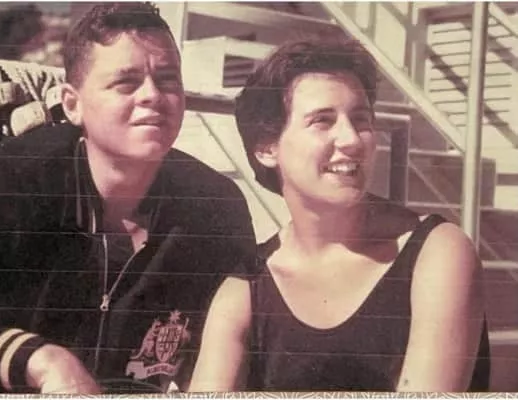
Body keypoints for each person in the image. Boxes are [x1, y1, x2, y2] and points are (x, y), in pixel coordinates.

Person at [0, 2, 255, 395]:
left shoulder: (215, 207)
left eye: (167, 80)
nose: (153, 95)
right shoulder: (9, 181)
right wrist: (36, 359)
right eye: (126, 82)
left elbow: (241, 331)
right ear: (72, 104)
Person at [189, 36, 490, 392]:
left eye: (360, 120)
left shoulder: (437, 252)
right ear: (267, 148)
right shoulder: (245, 290)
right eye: (322, 121)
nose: (351, 140)